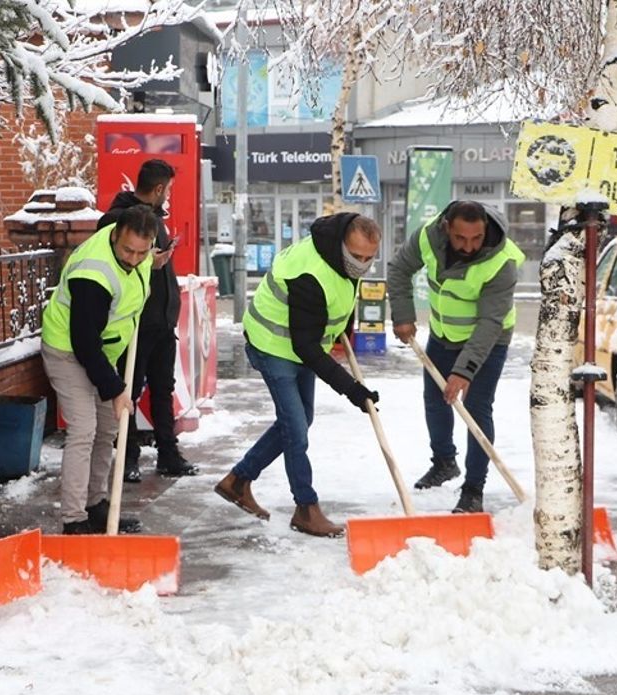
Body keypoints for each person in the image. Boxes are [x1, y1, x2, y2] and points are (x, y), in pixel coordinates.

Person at [214, 213, 381, 537]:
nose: (361, 264)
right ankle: (306, 508)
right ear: (341, 244)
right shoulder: (311, 272)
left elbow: (341, 295)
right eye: (356, 257)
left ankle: (238, 480)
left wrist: (343, 328)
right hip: (273, 345)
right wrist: (353, 389)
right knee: (296, 429)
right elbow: (306, 346)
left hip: (300, 341)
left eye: (368, 259)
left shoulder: (341, 257)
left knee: (301, 419)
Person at [387, 200, 524, 514]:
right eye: (461, 238)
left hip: (489, 340)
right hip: (444, 332)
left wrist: (465, 371)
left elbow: (490, 323)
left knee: (476, 409)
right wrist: (403, 315)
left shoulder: (501, 261)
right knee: (435, 398)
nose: (469, 246)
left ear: (485, 229)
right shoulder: (427, 236)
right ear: (447, 227)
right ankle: (444, 462)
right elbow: (399, 270)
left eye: (476, 239)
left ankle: (474, 490)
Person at [41, 204, 161, 534]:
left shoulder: (142, 253)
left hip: (104, 351)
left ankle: (96, 504)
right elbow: (84, 343)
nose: (134, 258)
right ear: (114, 234)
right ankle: (73, 518)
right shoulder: (92, 274)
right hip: (68, 350)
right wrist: (116, 389)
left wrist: (154, 260)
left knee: (109, 427)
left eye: (142, 251)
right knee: (84, 429)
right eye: (127, 250)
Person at [96, 159, 198, 483]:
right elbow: (118, 261)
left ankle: (168, 452)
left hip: (161, 321)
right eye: (167, 190)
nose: (168, 196)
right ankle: (127, 455)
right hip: (135, 322)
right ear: (157, 189)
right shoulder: (120, 219)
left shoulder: (156, 219)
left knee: (163, 389)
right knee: (129, 389)